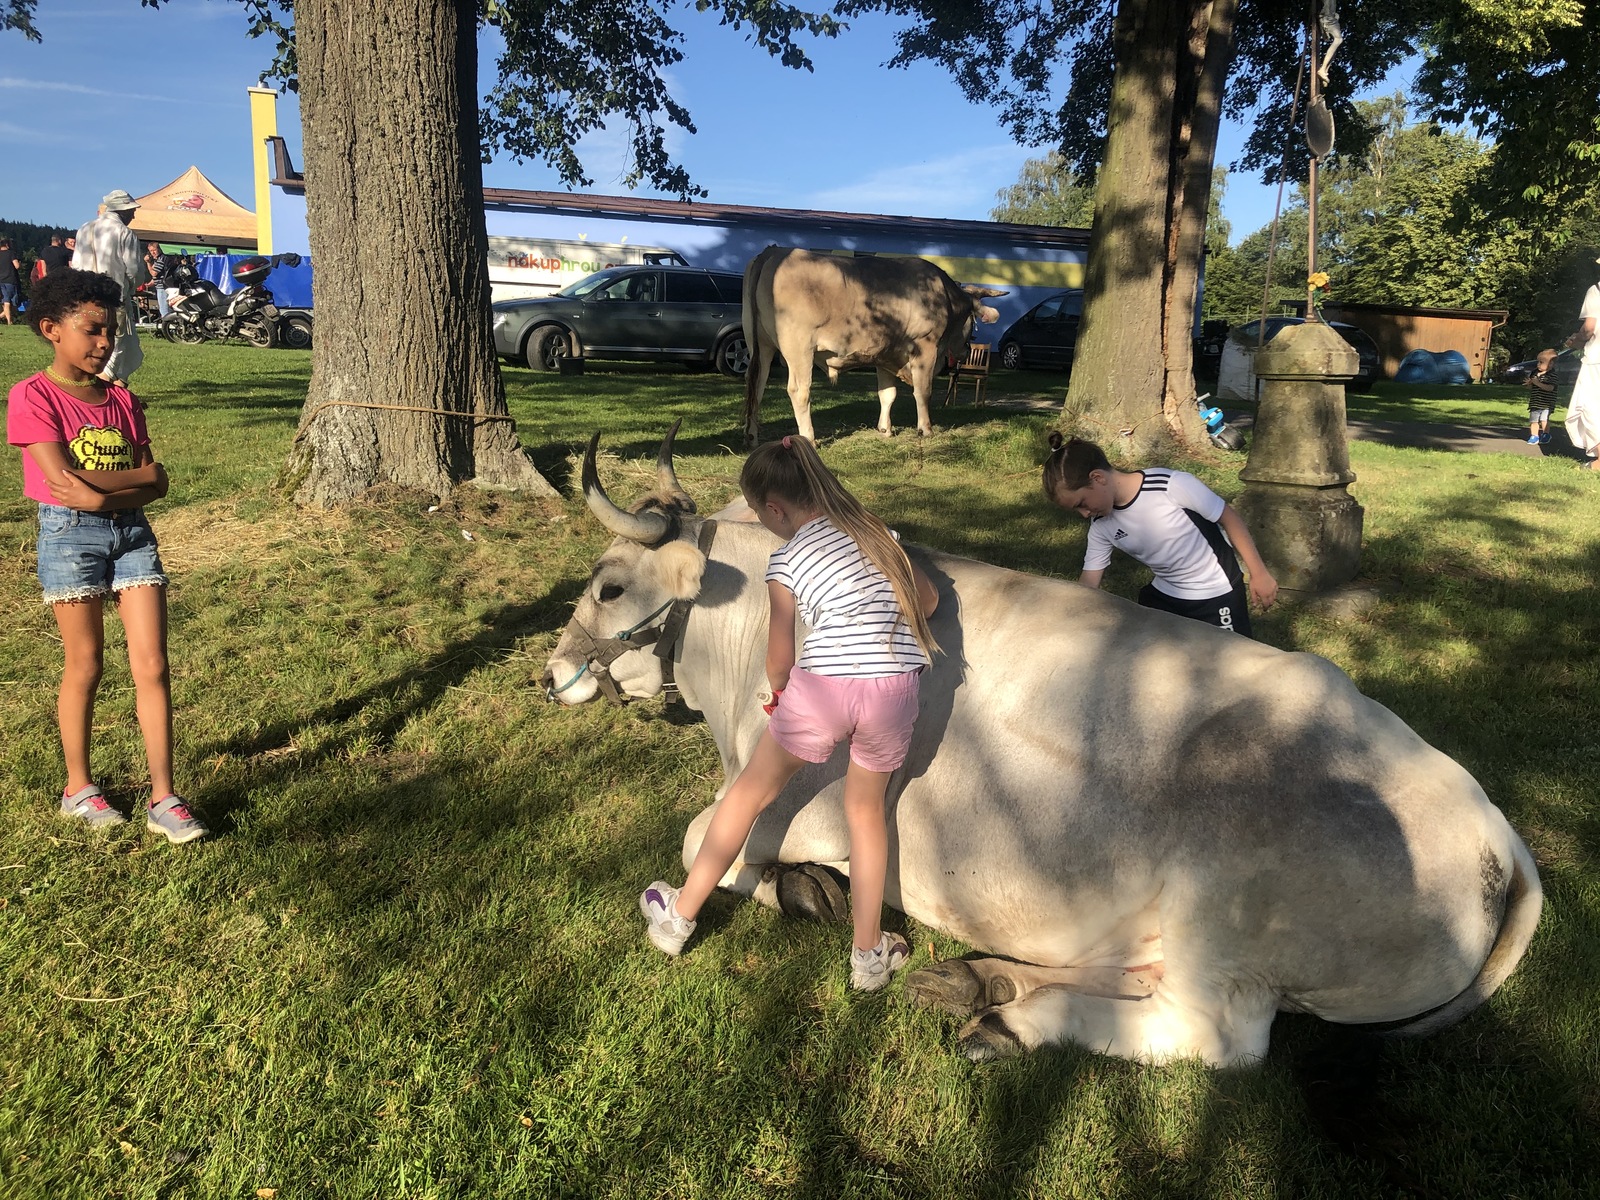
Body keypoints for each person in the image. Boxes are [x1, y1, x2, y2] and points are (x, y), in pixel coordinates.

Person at [640, 435, 940, 990]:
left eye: (760, 514)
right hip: (894, 690)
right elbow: (927, 602)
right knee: (866, 813)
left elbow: (780, 658)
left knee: (748, 794)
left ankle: (678, 917)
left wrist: (781, 692)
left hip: (822, 689)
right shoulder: (876, 531)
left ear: (775, 509)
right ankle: (869, 957)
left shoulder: (787, 558)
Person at [4, 268, 207, 844]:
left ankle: (164, 796)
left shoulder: (120, 398)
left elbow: (156, 481)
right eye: (92, 330)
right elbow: (62, 480)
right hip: (71, 536)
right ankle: (78, 788)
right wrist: (122, 482)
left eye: (111, 331)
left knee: (154, 665)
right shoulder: (32, 396)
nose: (104, 343)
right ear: (51, 329)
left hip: (133, 535)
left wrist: (116, 485)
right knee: (86, 664)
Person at [1043, 432, 1277, 636]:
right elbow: (1089, 584)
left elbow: (1229, 518)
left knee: (1234, 669)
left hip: (1215, 591)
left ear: (1098, 478)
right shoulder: (1101, 525)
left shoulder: (1170, 486)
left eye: (1081, 503)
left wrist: (1259, 574)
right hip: (1165, 594)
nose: (1084, 514)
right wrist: (1064, 620)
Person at [70, 190, 145, 383]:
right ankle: (104, 383)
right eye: (132, 211)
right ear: (124, 211)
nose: (134, 215)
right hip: (114, 295)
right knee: (116, 340)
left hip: (85, 296)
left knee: (90, 337)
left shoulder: (85, 228)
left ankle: (113, 386)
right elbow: (134, 270)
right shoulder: (124, 233)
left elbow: (77, 264)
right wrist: (131, 287)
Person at [1565, 258, 1600, 472]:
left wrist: (1576, 340)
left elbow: (1589, 328)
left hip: (1598, 357)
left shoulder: (1596, 290)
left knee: (1592, 407)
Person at [1524, 348, 1558, 445]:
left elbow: (1550, 388)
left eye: (1541, 362)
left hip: (1546, 403)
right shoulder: (1535, 374)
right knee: (1534, 420)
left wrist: (1538, 383)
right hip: (1535, 402)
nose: (1538, 365)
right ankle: (1534, 435)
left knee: (1544, 419)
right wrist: (1530, 384)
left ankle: (1545, 434)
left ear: (1550, 364)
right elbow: (1531, 387)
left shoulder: (1552, 376)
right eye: (1538, 362)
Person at [143, 241, 172, 318]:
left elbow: (154, 273)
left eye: (154, 250)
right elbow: (158, 275)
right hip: (162, 286)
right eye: (151, 251)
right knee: (166, 308)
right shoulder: (158, 259)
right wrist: (150, 283)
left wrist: (148, 263)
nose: (153, 252)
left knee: (164, 310)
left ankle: (167, 325)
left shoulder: (161, 259)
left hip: (162, 287)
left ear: (159, 249)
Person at [0, 237, 21, 326]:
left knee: (6, 302)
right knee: (9, 302)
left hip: (0, 281)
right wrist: (20, 263)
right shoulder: (11, 253)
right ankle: (9, 322)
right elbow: (17, 266)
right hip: (10, 280)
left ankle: (7, 319)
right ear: (7, 245)